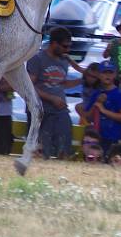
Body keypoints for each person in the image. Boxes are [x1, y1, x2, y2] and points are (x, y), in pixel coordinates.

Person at [27, 27, 82, 159]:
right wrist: (51, 98)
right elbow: (29, 86)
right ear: (53, 43)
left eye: (69, 46)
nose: (67, 50)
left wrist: (81, 80)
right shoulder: (37, 59)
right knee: (42, 148)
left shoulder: (63, 61)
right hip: (40, 110)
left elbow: (60, 83)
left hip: (60, 110)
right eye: (64, 46)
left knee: (64, 144)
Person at [81, 60, 121, 153]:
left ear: (115, 75)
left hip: (114, 138)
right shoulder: (96, 94)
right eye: (104, 73)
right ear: (99, 75)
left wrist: (103, 110)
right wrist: (96, 104)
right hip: (97, 137)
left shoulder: (119, 94)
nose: (107, 76)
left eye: (110, 73)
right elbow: (89, 118)